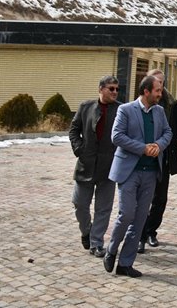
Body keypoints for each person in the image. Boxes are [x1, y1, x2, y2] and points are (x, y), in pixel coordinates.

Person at [103, 75, 172, 278]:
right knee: (127, 214)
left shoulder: (159, 112)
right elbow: (116, 136)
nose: (161, 94)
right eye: (158, 90)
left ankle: (125, 263)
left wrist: (158, 146)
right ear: (146, 91)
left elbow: (168, 132)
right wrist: (143, 149)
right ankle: (112, 249)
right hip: (129, 171)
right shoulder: (126, 110)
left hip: (150, 173)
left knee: (140, 218)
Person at [138, 69, 177, 254]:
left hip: (165, 159)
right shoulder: (137, 103)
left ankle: (151, 231)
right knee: (142, 198)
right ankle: (140, 235)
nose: (159, 87)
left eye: (161, 82)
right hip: (142, 159)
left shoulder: (172, 104)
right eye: (155, 83)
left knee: (160, 199)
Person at [69, 75, 120, 258]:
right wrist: (79, 149)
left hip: (109, 166)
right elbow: (74, 130)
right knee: (79, 203)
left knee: (103, 208)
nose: (115, 92)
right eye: (111, 88)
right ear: (101, 89)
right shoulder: (86, 107)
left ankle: (97, 243)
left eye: (116, 89)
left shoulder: (121, 110)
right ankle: (87, 232)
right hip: (86, 163)